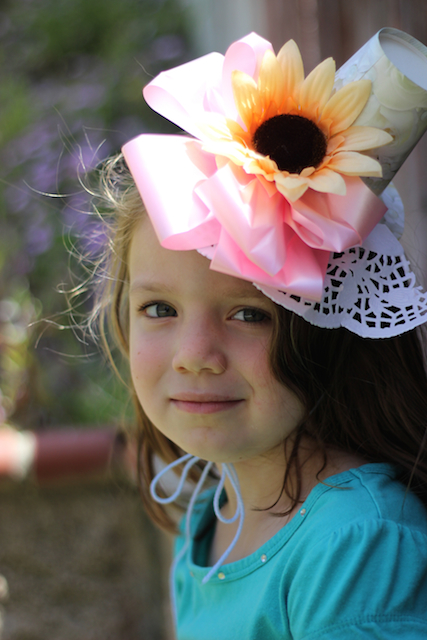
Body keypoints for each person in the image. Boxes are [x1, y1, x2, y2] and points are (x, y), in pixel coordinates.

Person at [90, 29, 427, 638]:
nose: (194, 356)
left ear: (331, 331)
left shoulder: (359, 543)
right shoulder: (212, 511)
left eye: (249, 314)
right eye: (159, 309)